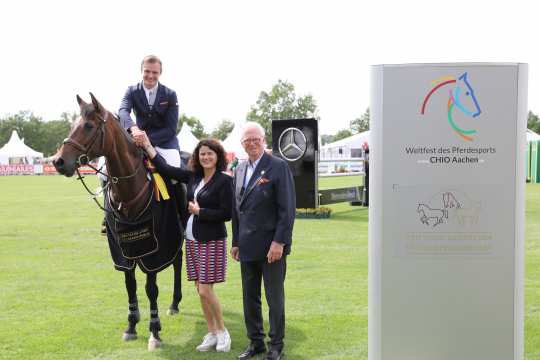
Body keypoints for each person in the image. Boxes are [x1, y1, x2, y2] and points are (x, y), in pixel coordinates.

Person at [141, 132, 233, 353]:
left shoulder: (224, 180)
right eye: (202, 154)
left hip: (212, 239)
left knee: (205, 291)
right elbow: (165, 169)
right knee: (198, 289)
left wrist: (200, 211)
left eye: (210, 153)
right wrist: (147, 146)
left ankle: (222, 332)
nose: (206, 157)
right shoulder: (193, 177)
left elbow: (227, 213)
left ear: (217, 156)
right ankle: (211, 332)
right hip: (192, 240)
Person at [119, 54, 185, 313]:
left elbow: (171, 128)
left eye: (155, 73)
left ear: (161, 73)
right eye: (147, 72)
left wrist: (148, 140)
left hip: (163, 145)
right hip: (135, 140)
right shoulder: (131, 90)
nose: (150, 76)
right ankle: (108, 220)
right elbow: (123, 111)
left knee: (175, 173)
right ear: (141, 70)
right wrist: (133, 130)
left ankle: (181, 216)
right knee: (106, 172)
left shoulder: (170, 93)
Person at [231, 122, 295, 360]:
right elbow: (236, 210)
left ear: (263, 140)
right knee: (250, 297)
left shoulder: (278, 166)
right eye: (247, 140)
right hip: (247, 246)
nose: (252, 143)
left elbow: (287, 210)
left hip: (271, 248)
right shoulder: (238, 169)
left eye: (255, 139)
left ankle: (276, 345)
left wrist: (279, 242)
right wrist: (235, 241)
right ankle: (255, 342)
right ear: (242, 144)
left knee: (274, 298)